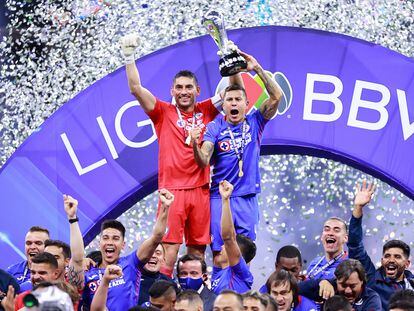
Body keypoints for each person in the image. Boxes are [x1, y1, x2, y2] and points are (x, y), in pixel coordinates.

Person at [120, 34, 244, 277]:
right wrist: (128, 56)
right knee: (170, 252)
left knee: (197, 252)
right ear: (172, 91)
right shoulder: (162, 112)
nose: (184, 92)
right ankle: (168, 297)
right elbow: (136, 88)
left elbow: (236, 88)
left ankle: (193, 298)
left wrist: (227, 52)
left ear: (197, 90)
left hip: (200, 190)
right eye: (179, 87)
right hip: (172, 193)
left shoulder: (207, 109)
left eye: (189, 87)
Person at [191, 51, 282, 254]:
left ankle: (242, 287)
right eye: (229, 99)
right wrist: (194, 147)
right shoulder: (215, 127)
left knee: (245, 252)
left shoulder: (255, 121)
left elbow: (277, 96)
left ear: (246, 104)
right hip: (219, 196)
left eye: (238, 99)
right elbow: (204, 159)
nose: (233, 103)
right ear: (223, 105)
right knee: (219, 252)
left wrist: (257, 68)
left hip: (247, 197)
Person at [85, 189, 173, 311]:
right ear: (100, 243)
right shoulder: (88, 272)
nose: (110, 242)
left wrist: (165, 208)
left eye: (115, 238)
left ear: (123, 245)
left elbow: (156, 237)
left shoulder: (131, 263)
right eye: (105, 238)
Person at [348, 180, 414, 311]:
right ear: (382, 260)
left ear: (407, 263)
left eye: (397, 257)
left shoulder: (412, 284)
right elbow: (355, 246)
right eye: (387, 256)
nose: (391, 260)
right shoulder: (371, 279)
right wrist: (358, 208)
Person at [210, 181, 256, 294]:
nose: (221, 247)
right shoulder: (218, 272)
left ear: (235, 253)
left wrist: (225, 200)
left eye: (225, 247)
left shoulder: (240, 275)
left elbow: (228, 237)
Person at [299, 259, 382, 310]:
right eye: (343, 285)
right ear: (336, 280)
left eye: (353, 286)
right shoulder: (328, 287)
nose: (348, 291)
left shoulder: (371, 298)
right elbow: (294, 289)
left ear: (362, 282)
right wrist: (320, 282)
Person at [306, 217, 348, 281]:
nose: (330, 233)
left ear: (345, 238)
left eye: (336, 230)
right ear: (322, 237)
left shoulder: (350, 264)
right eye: (327, 229)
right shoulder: (314, 263)